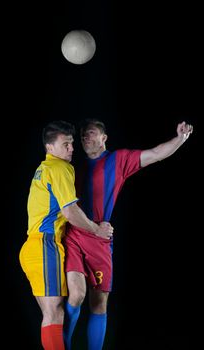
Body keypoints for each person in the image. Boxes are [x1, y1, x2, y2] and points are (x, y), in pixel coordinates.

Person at [63, 118, 193, 350]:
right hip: (74, 234)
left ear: (104, 138)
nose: (85, 137)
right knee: (75, 295)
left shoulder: (118, 160)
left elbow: (155, 153)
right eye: (83, 134)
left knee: (99, 303)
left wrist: (179, 139)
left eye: (91, 133)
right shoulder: (71, 165)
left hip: (100, 238)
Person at [19, 120, 113, 350]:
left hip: (35, 245)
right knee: (54, 314)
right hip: (45, 243)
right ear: (50, 148)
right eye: (65, 144)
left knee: (53, 313)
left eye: (72, 144)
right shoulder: (60, 168)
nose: (72, 149)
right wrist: (97, 229)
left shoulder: (45, 167)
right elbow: (70, 211)